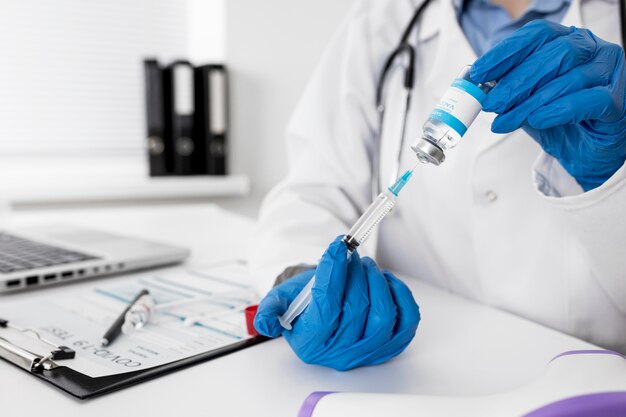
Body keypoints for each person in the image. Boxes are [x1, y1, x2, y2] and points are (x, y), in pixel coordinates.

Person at [249, 0, 626, 371]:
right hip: (419, 371)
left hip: (590, 376)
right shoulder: (384, 18)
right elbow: (313, 187)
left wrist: (611, 179)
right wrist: (303, 275)